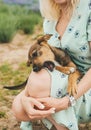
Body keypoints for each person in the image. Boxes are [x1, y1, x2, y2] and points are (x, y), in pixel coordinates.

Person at [12, 0, 91, 130]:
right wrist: (26, 96)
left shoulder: (88, 8)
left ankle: (61, 125)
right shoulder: (50, 18)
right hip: (63, 78)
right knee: (18, 108)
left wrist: (66, 102)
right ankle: (57, 122)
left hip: (85, 86)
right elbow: (50, 63)